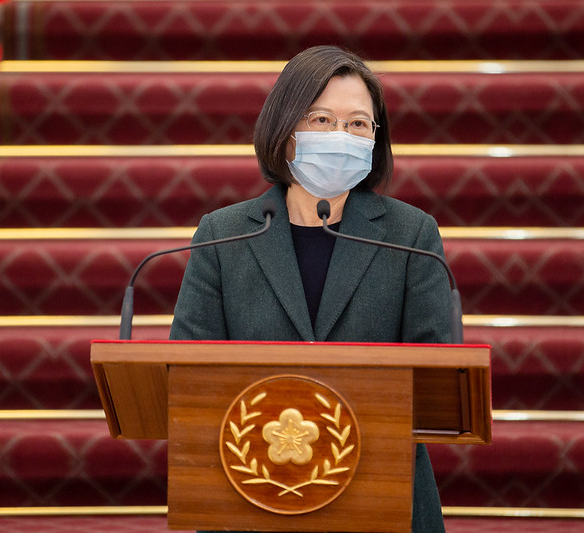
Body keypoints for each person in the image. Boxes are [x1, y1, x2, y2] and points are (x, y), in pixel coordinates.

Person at [170, 45, 451, 533]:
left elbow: (434, 379)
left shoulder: (411, 235)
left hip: (382, 500)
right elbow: (188, 373)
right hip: (249, 496)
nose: (341, 136)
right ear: (285, 130)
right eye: (321, 119)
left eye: (358, 124)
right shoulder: (223, 235)